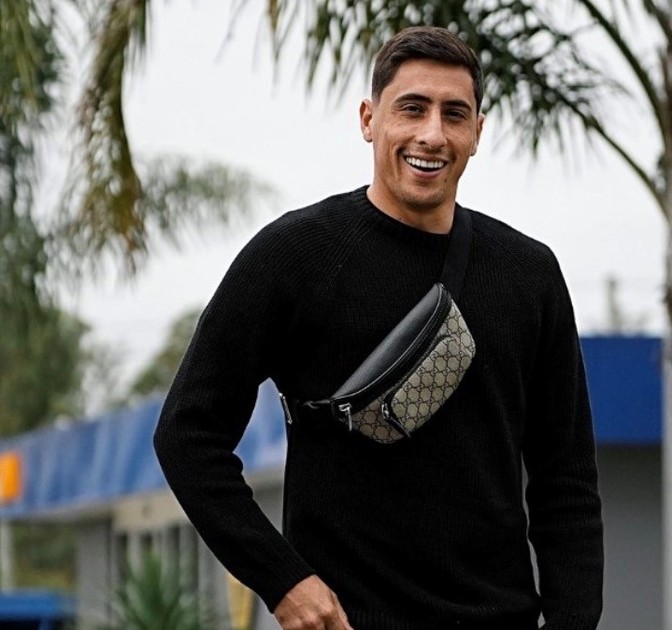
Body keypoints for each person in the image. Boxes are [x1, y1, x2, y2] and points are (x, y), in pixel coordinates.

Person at [154, 26, 603, 630]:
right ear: (369, 119)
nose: (432, 134)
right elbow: (187, 436)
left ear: (477, 132)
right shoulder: (295, 256)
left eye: (454, 114)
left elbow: (566, 483)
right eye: (411, 109)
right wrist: (284, 583)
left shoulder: (529, 275)